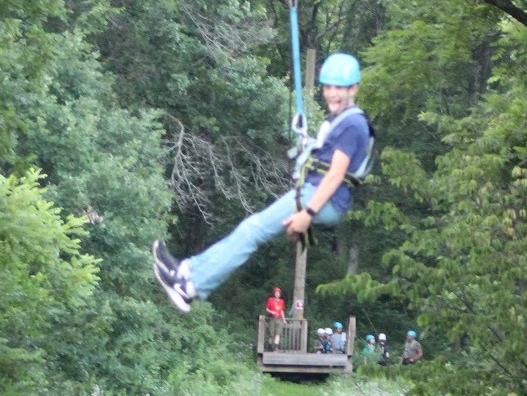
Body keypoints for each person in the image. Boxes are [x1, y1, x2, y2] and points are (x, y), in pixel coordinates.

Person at [152, 54, 372, 311]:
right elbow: (322, 163)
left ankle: (190, 286)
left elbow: (335, 174)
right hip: (317, 193)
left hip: (321, 196)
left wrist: (308, 213)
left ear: (353, 88)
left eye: (339, 88)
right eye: (328, 87)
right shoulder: (341, 121)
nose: (331, 94)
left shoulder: (353, 124)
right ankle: (187, 272)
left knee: (252, 231)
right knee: (252, 229)